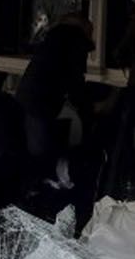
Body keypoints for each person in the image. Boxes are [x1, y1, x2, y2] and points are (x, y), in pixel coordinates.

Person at [15, 13, 95, 187]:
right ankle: (39, 188)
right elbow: (75, 79)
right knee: (39, 151)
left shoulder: (53, 39)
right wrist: (86, 108)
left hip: (30, 99)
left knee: (34, 149)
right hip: (40, 103)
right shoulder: (73, 41)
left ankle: (36, 186)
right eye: (90, 32)